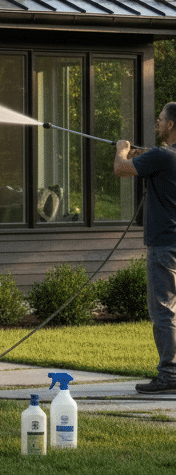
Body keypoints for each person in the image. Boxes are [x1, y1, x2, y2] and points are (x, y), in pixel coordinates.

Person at [115, 102, 176, 393]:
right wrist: (140, 154)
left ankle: (169, 375)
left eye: (161, 120)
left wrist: (121, 150)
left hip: (165, 245)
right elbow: (155, 162)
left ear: (172, 125)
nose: (157, 124)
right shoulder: (164, 157)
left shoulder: (163, 156)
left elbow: (121, 169)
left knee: (163, 311)